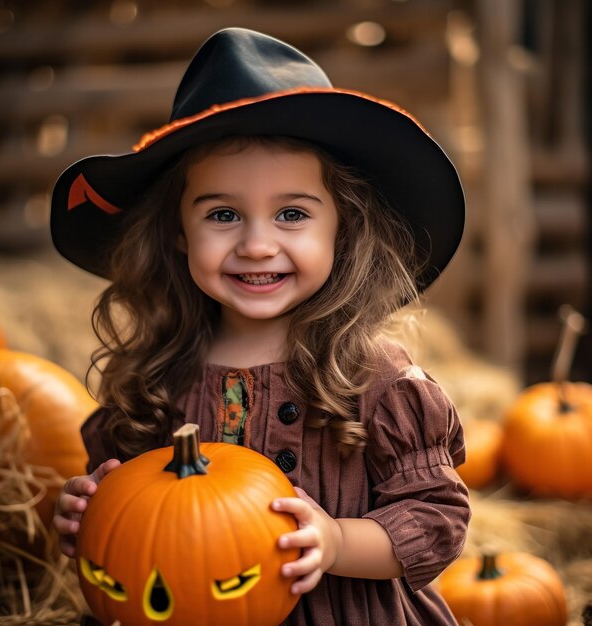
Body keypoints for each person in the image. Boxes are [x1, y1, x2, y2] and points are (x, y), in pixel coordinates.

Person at [51, 27, 469, 625]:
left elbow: (436, 517)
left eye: (291, 214)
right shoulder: (159, 375)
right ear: (177, 234)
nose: (255, 244)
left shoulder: (374, 378)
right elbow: (130, 514)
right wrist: (88, 511)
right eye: (223, 214)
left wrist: (338, 542)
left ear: (342, 230)